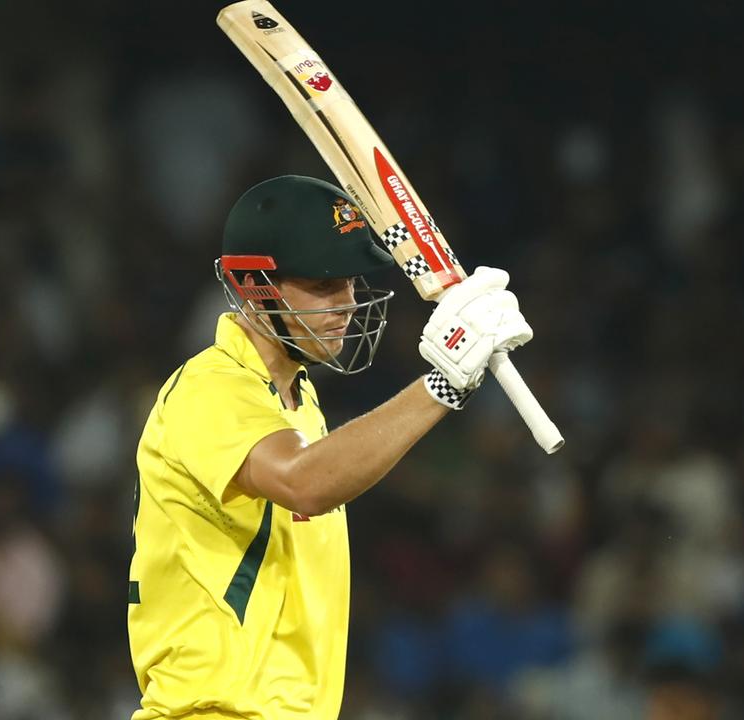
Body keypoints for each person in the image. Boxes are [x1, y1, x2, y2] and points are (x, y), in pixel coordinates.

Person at [127, 175, 534, 719]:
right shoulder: (211, 386)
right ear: (251, 284)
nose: (345, 303)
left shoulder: (300, 401)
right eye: (322, 284)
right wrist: (443, 381)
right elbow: (304, 482)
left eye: (349, 281)